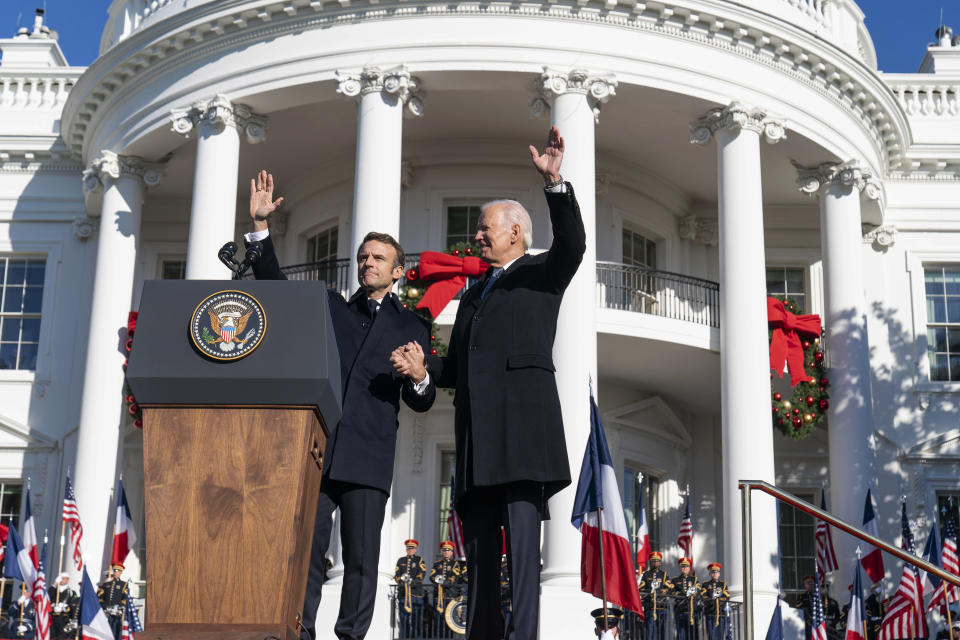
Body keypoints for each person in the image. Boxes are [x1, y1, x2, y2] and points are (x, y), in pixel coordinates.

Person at [392, 125, 586, 640]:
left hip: (523, 441)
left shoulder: (543, 272)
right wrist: (421, 373)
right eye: (477, 229)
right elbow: (453, 371)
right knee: (478, 560)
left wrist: (555, 185)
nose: (476, 236)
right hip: (478, 447)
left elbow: (573, 242)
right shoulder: (474, 295)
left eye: (485, 228)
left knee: (523, 558)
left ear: (515, 233)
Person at [246, 171, 437, 640]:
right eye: (363, 257)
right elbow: (278, 289)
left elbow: (425, 399)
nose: (368, 262)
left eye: (378, 258)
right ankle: (300, 631)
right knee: (307, 551)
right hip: (320, 449)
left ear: (397, 271)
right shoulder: (334, 307)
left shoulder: (412, 324)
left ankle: (351, 635)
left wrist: (419, 376)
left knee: (361, 558)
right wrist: (260, 231)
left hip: (370, 456)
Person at [394, 540, 427, 640]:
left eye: (412, 548)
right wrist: (401, 582)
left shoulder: (419, 560)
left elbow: (421, 574)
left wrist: (412, 582)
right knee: (404, 618)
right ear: (406, 549)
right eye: (408, 548)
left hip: (415, 594)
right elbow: (397, 575)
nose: (410, 550)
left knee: (416, 619)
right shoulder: (401, 560)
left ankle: (417, 638)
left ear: (415, 549)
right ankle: (405, 637)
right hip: (403, 594)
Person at [430, 541, 462, 638]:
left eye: (448, 550)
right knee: (438, 619)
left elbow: (454, 577)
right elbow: (432, 576)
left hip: (450, 596)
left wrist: (444, 582)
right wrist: (438, 581)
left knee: (449, 619)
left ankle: (448, 637)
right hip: (438, 596)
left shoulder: (455, 564)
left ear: (452, 552)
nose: (446, 552)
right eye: (444, 550)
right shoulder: (437, 564)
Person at [639, 552, 672, 640]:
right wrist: (650, 592)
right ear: (650, 562)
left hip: (661, 607)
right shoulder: (646, 574)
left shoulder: (664, 574)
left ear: (660, 563)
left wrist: (660, 592)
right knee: (649, 632)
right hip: (649, 607)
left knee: (661, 632)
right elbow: (641, 589)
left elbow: (670, 588)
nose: (655, 563)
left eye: (657, 561)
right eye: (653, 561)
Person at [97, 563, 128, 640]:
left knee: (116, 631)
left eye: (117, 571)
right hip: (106, 611)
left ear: (121, 572)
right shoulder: (106, 584)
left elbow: (126, 598)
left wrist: (119, 606)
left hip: (117, 613)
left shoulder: (123, 584)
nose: (115, 573)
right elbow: (100, 597)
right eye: (114, 571)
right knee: (105, 631)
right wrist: (104, 606)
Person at [671, 558, 700, 640]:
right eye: (682, 567)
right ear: (680, 568)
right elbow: (671, 592)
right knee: (681, 635)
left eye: (686, 566)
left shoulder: (694, 580)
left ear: (689, 568)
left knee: (692, 635)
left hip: (692, 611)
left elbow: (699, 591)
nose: (684, 568)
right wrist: (685, 594)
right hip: (680, 610)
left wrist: (693, 593)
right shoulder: (675, 580)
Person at [700, 563, 729, 640]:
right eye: (713, 572)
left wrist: (718, 602)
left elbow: (727, 597)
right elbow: (703, 596)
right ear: (710, 574)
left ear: (719, 574)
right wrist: (712, 601)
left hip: (721, 614)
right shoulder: (705, 584)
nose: (715, 574)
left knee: (720, 636)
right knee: (711, 636)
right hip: (710, 613)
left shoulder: (723, 584)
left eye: (716, 572)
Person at [47, 573, 77, 640]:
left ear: (67, 580)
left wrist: (64, 608)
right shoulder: (54, 590)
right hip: (53, 617)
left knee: (62, 637)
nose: (61, 580)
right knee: (51, 637)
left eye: (63, 578)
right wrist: (54, 583)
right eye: (60, 578)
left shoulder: (72, 592)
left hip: (63, 618)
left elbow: (73, 605)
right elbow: (48, 597)